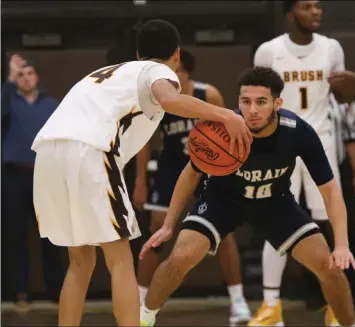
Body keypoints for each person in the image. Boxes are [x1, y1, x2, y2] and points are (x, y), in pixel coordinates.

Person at [31, 19, 252, 326]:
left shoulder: (107, 74)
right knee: (120, 259)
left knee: (80, 262)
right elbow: (169, 99)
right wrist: (227, 114)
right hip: (90, 150)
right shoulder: (158, 71)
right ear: (176, 56)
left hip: (47, 152)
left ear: (137, 52)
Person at [138, 66, 355, 327]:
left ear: (278, 103)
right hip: (223, 201)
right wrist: (168, 225)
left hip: (274, 203)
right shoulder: (222, 128)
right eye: (246, 101)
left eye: (261, 102)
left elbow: (331, 191)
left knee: (330, 267)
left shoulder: (298, 131)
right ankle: (143, 319)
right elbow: (190, 174)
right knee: (180, 257)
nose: (252, 110)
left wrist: (342, 244)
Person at [252, 0, 355, 324]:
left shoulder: (332, 48)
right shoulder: (269, 51)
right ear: (290, 13)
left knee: (328, 221)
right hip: (278, 142)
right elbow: (257, 100)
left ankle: (334, 305)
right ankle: (271, 305)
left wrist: (351, 89)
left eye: (318, 6)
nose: (316, 12)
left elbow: (343, 99)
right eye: (308, 6)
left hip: (319, 141)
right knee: (274, 219)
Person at [136, 48, 251, 324]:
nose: (168, 77)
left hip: (210, 167)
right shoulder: (158, 101)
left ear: (185, 72)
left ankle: (238, 301)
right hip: (171, 167)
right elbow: (145, 143)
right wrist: (140, 180)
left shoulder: (207, 95)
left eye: (174, 72)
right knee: (156, 229)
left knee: (223, 233)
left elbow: (229, 133)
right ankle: (139, 301)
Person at [1, 55, 65, 310]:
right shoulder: (8, 101)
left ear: (37, 76)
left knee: (50, 235)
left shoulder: (51, 104)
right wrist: (8, 81)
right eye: (20, 74)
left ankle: (57, 290)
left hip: (46, 174)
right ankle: (19, 291)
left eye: (29, 73)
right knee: (15, 235)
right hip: (14, 174)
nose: (25, 78)